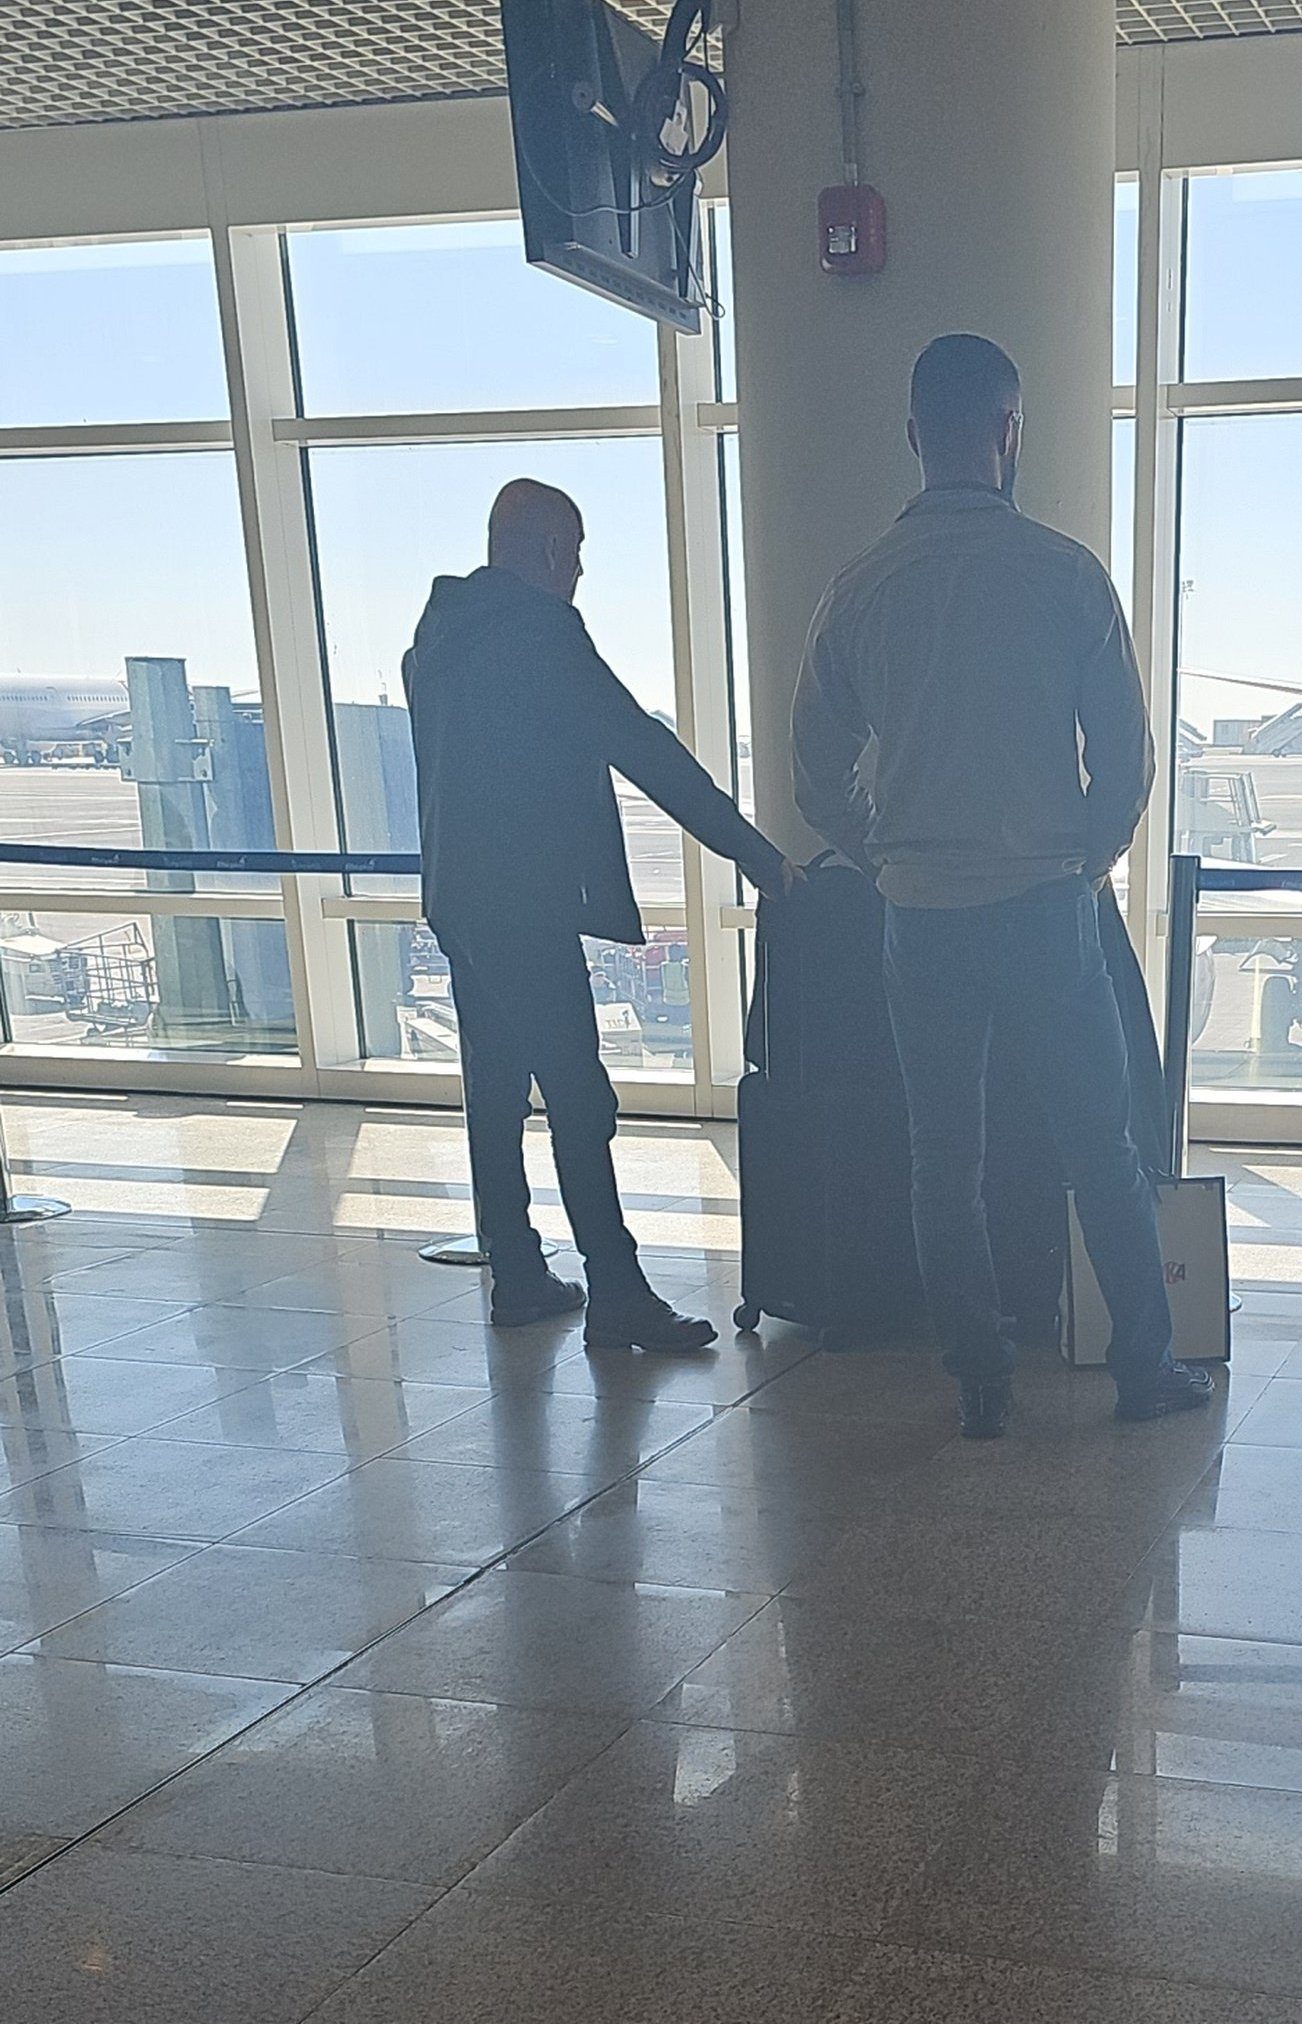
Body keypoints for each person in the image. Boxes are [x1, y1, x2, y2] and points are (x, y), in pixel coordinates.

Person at [791, 333, 1213, 1437]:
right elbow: (1125, 761)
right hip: (1042, 908)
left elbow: (810, 776)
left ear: (913, 436)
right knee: (1100, 1147)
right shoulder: (1066, 575)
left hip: (920, 915)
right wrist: (1086, 855)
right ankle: (1141, 1364)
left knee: (944, 1158)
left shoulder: (858, 588)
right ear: (1009, 432)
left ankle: (979, 1377)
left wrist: (883, 847)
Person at [405, 478, 790, 1349]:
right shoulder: (540, 633)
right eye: (574, 554)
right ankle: (614, 1290)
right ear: (546, 552)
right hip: (524, 903)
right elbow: (643, 746)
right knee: (582, 1099)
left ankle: (517, 1272)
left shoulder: (434, 637)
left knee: (496, 1094)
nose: (579, 573)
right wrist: (758, 856)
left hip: (458, 901)